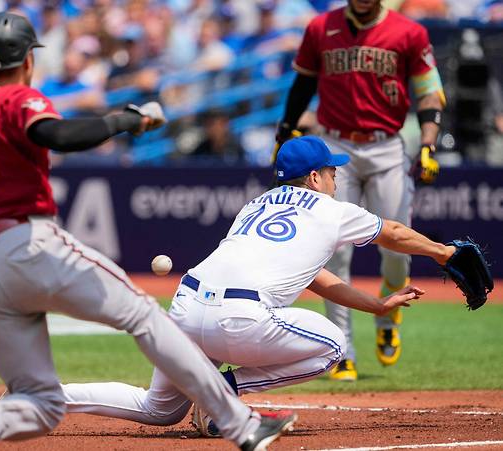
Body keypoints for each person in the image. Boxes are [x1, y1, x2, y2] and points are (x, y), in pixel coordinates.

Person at [0, 12, 294, 451]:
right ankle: (242, 426)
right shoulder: (16, 99)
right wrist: (124, 120)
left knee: (42, 403)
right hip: (26, 245)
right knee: (145, 317)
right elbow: (57, 134)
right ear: (27, 59)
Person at [59, 136, 456, 438]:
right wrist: (443, 253)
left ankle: (46, 395)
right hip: (238, 320)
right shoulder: (332, 211)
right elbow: (395, 231)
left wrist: (375, 305)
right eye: (332, 171)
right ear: (315, 177)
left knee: (158, 409)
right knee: (335, 346)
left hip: (184, 308)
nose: (338, 176)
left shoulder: (258, 203)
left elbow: (316, 276)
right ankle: (223, 391)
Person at [275, 0, 446, 380]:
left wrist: (428, 144)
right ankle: (343, 351)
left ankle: (389, 318)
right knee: (331, 249)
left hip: (387, 144)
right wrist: (286, 129)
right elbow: (303, 82)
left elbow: (429, 92)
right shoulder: (321, 27)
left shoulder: (409, 31)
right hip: (337, 146)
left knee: (397, 250)